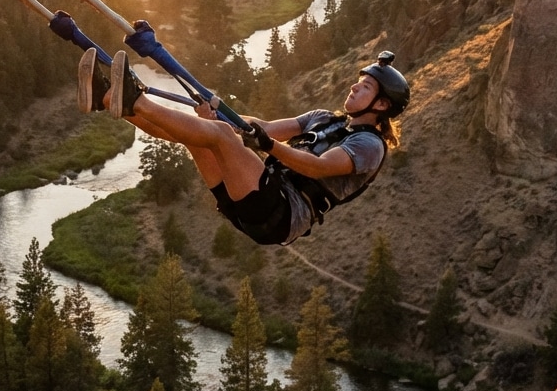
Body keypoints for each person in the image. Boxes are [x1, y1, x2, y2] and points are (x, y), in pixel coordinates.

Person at [77, 46, 409, 245]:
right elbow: (263, 127)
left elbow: (319, 167)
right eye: (358, 82)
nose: (354, 87)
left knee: (219, 135)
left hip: (281, 213)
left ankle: (134, 100)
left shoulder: (369, 145)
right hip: (255, 199)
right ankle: (107, 99)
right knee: (200, 136)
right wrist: (218, 115)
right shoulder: (324, 118)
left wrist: (266, 145)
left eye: (365, 87)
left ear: (380, 106)